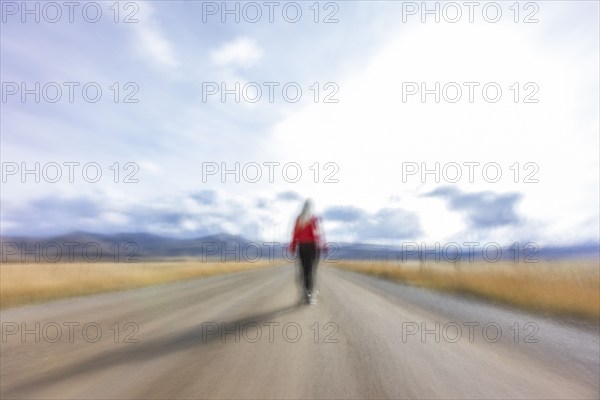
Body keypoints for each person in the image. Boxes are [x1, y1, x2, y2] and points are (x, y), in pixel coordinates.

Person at [289, 199, 326, 305]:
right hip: (313, 247)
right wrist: (323, 245)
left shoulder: (299, 219)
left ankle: (304, 294)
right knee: (311, 271)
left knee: (304, 271)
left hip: (302, 248)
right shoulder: (314, 218)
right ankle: (308, 295)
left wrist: (293, 247)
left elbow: (295, 234)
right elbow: (318, 234)